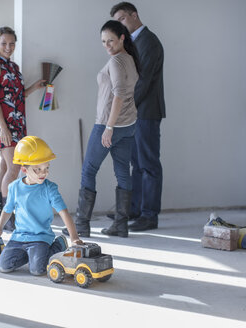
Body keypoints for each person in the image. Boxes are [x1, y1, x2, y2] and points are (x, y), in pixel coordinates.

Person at [63, 20, 140, 238]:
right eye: (103, 42)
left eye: (111, 41)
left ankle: (82, 225)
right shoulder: (130, 59)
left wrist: (108, 127)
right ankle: (121, 225)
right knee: (123, 171)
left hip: (109, 125)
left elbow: (119, 94)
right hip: (129, 125)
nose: (107, 45)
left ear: (122, 38)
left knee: (89, 170)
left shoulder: (116, 61)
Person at [0, 136, 83, 276]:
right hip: (19, 238)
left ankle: (59, 245)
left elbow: (64, 212)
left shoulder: (50, 188)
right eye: (38, 169)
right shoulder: (14, 187)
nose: (44, 173)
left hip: (40, 237)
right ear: (24, 170)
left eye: (47, 168)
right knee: (3, 266)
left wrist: (74, 238)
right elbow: (7, 210)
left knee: (37, 270)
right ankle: (33, 256)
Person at [110, 2, 166, 231]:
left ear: (134, 15)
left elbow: (143, 80)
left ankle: (149, 215)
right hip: (134, 113)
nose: (120, 25)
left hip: (146, 112)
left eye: (122, 19)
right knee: (136, 163)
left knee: (149, 163)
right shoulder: (132, 43)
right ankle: (134, 209)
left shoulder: (149, 41)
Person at [0, 27, 45, 231]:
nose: (8, 47)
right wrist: (3, 128)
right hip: (4, 123)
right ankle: (8, 216)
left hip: (18, 122)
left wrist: (34, 88)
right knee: (15, 168)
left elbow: (16, 97)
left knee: (4, 166)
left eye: (11, 44)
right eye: (4, 43)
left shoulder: (13, 67)